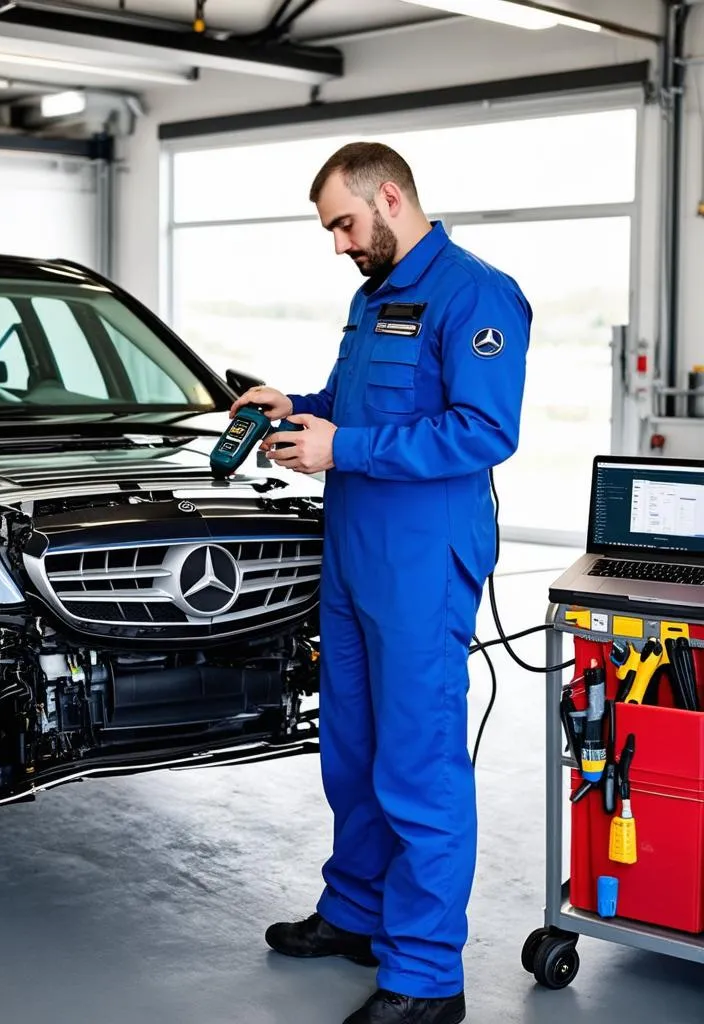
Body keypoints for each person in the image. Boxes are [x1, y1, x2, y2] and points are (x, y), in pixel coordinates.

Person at [229, 142, 531, 1024]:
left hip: (421, 562)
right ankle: (358, 913)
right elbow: (360, 403)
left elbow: (482, 429)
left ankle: (428, 978)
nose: (338, 245)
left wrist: (343, 449)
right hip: (354, 552)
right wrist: (300, 409)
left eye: (344, 225)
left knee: (418, 761)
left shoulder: (476, 294)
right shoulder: (377, 295)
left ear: (389, 197)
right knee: (351, 750)